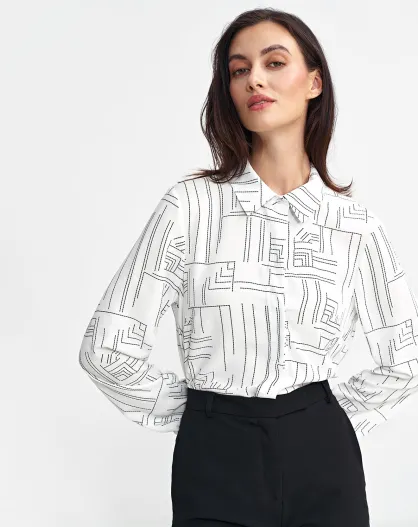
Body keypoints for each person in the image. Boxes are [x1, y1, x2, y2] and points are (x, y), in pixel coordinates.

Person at [78, 8, 418, 527]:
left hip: (324, 461)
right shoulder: (190, 208)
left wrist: (321, 418)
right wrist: (203, 415)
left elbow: (406, 358)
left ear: (314, 83)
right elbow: (107, 348)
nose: (254, 79)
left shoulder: (355, 227)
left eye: (274, 62)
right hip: (216, 457)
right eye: (239, 70)